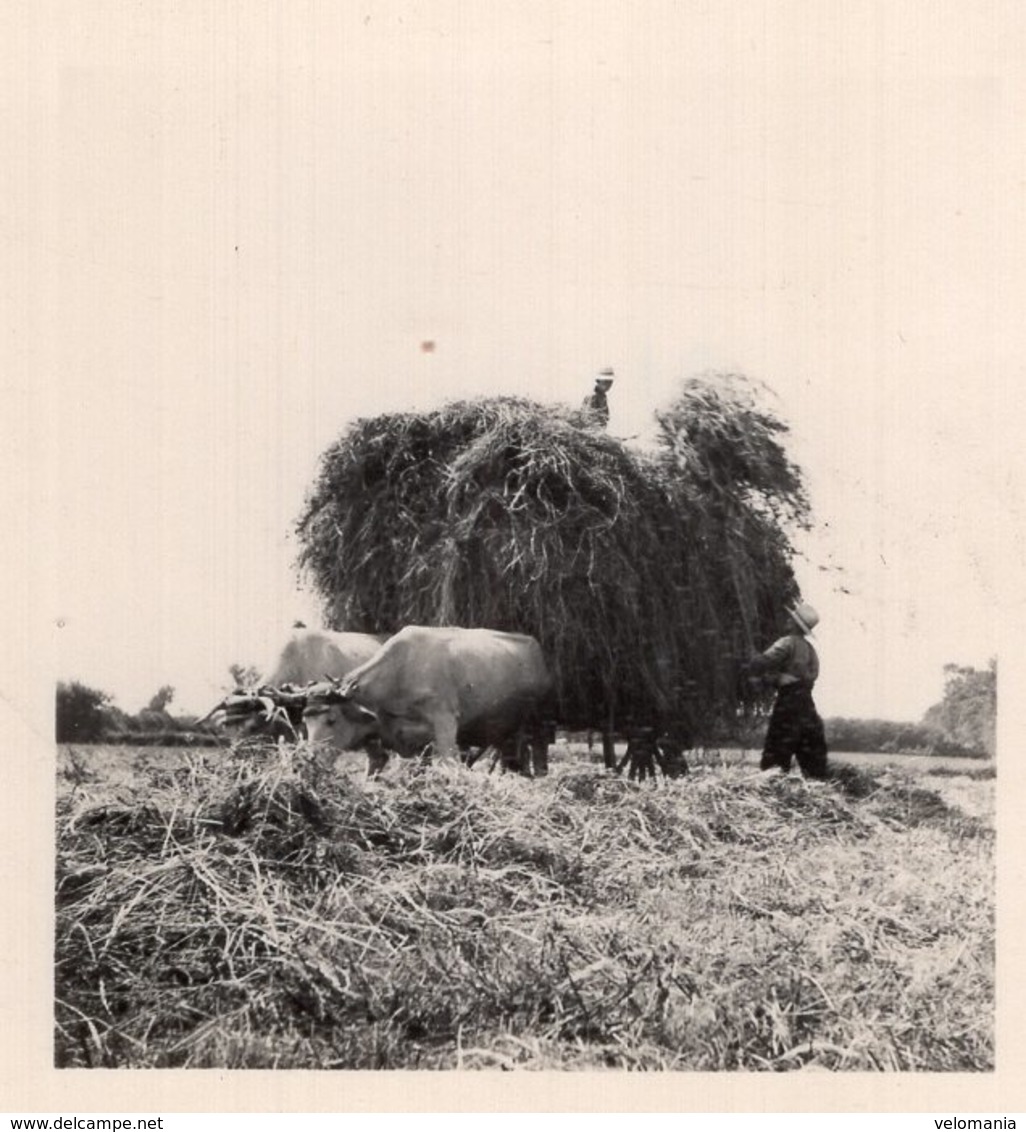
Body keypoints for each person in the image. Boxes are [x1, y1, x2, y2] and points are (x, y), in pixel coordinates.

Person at [747, 601, 829, 779]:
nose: (787, 621)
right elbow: (812, 676)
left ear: (793, 624)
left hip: (789, 702)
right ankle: (815, 784)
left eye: (790, 619)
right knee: (811, 751)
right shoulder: (811, 650)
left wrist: (770, 676)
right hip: (807, 703)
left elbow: (762, 663)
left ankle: (773, 784)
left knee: (777, 750)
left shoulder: (787, 643)